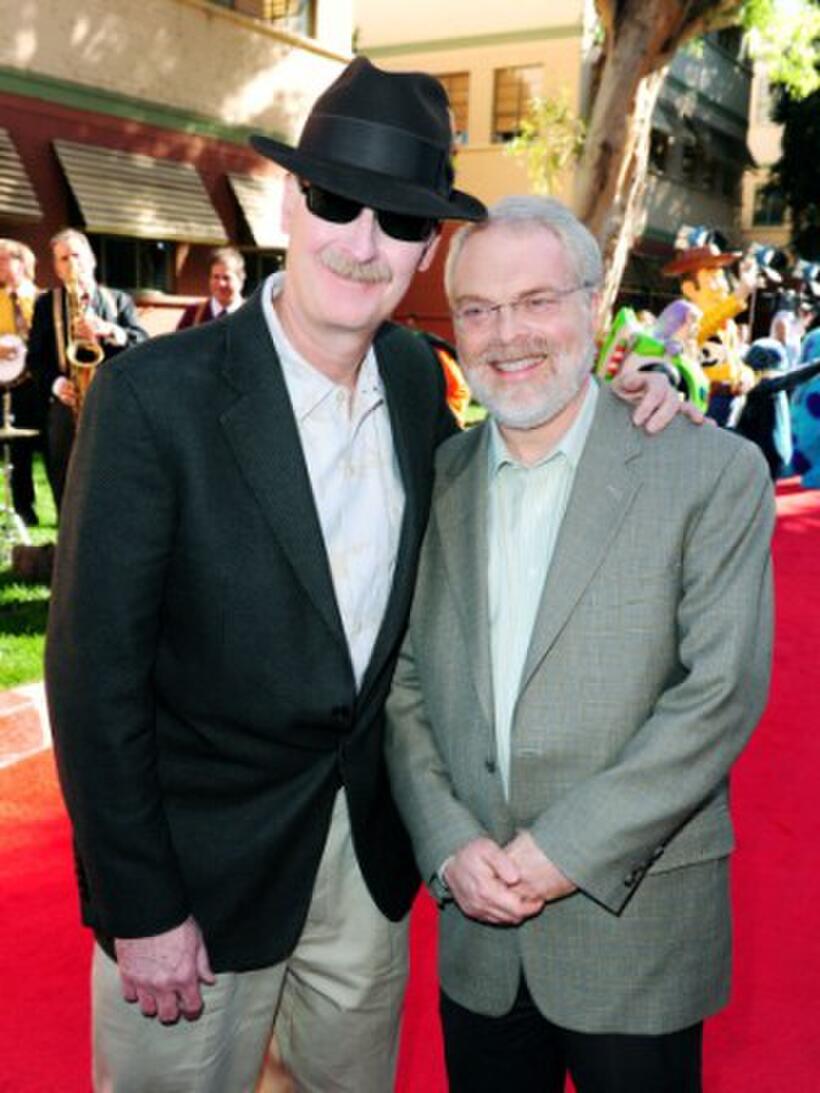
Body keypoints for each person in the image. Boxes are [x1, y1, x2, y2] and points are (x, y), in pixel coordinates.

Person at [46, 60, 688, 1093]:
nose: (362, 241)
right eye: (337, 200)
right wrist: (140, 903)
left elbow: (506, 470)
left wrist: (630, 396)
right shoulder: (150, 398)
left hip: (367, 864)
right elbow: (90, 676)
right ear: (291, 203)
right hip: (196, 876)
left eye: (398, 221)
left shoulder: (409, 377)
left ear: (429, 248)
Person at [385, 195, 774, 1093]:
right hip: (476, 930)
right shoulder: (437, 476)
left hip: (634, 934)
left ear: (593, 307)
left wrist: (560, 850)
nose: (507, 334)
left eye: (537, 300)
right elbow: (400, 682)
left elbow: (717, 695)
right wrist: (447, 840)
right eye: (479, 309)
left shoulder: (708, 471)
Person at [25, 228, 147, 514]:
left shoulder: (118, 300)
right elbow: (35, 359)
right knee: (64, 477)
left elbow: (142, 344)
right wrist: (57, 385)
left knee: (116, 476)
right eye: (63, 259)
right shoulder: (46, 304)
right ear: (56, 267)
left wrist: (109, 331)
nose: (72, 265)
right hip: (68, 404)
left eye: (76, 256)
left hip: (114, 405)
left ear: (92, 259)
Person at [0, 238, 41, 525]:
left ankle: (25, 509)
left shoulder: (41, 299)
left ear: (21, 262)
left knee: (25, 447)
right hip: (1, 382)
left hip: (33, 384)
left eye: (3, 259)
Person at [176, 246, 247, 329]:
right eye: (216, 277)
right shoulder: (193, 314)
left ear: (241, 279)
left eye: (226, 278)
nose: (220, 284)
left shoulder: (255, 316)